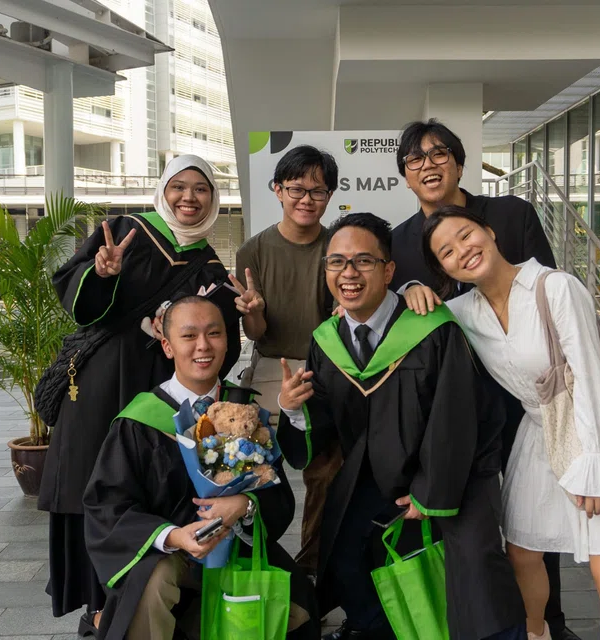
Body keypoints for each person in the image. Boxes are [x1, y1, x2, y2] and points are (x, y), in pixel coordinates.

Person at [406, 205, 600, 640]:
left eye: (466, 235)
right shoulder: (462, 312)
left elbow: (590, 378)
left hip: (598, 431)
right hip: (539, 434)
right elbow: (402, 317)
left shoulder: (555, 287)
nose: (463, 251)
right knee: (523, 555)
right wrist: (412, 288)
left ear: (489, 232)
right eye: (447, 252)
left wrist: (597, 462)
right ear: (443, 268)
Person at [278, 213, 526, 640]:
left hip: (450, 473)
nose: (348, 273)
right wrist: (292, 410)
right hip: (369, 473)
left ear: (389, 270)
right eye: (336, 262)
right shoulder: (326, 340)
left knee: (474, 578)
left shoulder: (432, 329)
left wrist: (429, 491)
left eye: (363, 262)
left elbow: (457, 418)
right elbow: (322, 426)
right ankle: (375, 628)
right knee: (342, 553)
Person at [37, 154, 241, 636]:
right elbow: (80, 306)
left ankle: (144, 586)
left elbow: (217, 345)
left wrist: (248, 317)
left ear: (213, 199)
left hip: (157, 388)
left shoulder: (210, 265)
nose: (189, 198)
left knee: (144, 485)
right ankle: (98, 605)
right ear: (163, 191)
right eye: (179, 187)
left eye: (201, 189)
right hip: (102, 386)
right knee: (94, 487)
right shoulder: (127, 231)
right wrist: (103, 273)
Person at [389, 119, 574, 640]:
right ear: (404, 175)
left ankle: (547, 621)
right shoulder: (401, 241)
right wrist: (406, 287)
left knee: (536, 517)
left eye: (438, 153)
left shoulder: (509, 214)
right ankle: (502, 622)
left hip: (525, 396)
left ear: (459, 161)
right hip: (459, 406)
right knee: (480, 524)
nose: (428, 164)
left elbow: (550, 292)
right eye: (414, 159)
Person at [83, 296, 319, 640]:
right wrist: (175, 536)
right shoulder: (139, 421)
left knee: (299, 609)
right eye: (189, 336)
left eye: (214, 333)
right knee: (151, 584)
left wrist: (245, 505)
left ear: (229, 341)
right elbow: (108, 507)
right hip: (170, 556)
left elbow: (278, 496)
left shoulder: (246, 410)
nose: (203, 346)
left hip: (237, 546)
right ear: (167, 346)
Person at [233, 145, 342, 574]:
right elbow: (256, 335)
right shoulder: (253, 251)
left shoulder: (339, 246)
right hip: (270, 371)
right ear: (278, 190)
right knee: (257, 469)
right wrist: (255, 314)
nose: (306, 199)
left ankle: (313, 567)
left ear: (330, 195)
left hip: (327, 370)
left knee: (326, 473)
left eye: (317, 191)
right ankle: (258, 562)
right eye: (296, 188)